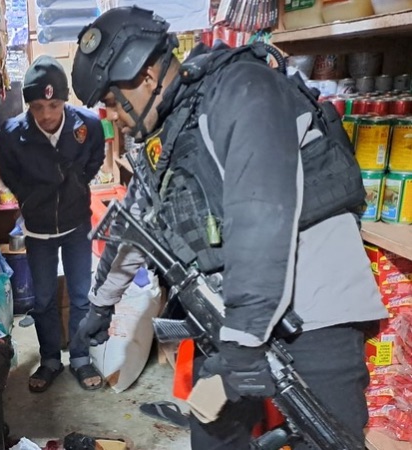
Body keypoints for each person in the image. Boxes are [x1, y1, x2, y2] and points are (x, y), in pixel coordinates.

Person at [70, 6, 388, 449]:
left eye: (110, 100)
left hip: (315, 317)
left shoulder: (244, 91)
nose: (112, 115)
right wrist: (99, 307)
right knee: (212, 435)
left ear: (144, 77)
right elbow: (137, 225)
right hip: (236, 323)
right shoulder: (171, 132)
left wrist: (240, 347)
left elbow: (262, 221)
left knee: (328, 439)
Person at [0, 55, 107, 393]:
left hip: (76, 225)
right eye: (38, 106)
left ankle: (79, 358)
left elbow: (95, 159)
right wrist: (31, 199)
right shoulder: (13, 133)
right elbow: (9, 174)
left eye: (54, 104)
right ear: (28, 104)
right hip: (38, 229)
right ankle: (49, 360)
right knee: (42, 299)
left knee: (80, 296)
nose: (46, 114)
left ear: (65, 100)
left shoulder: (86, 125)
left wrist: (76, 186)